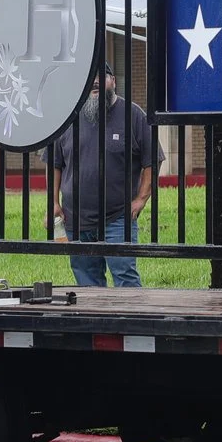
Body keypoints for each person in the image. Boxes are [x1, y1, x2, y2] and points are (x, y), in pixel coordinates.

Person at [49, 69, 155, 288]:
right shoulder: (68, 116)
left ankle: (131, 322)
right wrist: (54, 203)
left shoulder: (133, 115)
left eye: (101, 77)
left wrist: (142, 199)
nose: (95, 82)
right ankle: (97, 321)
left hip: (117, 218)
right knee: (87, 282)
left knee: (125, 277)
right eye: (90, 78)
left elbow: (151, 161)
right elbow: (55, 164)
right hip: (76, 220)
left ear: (113, 81)